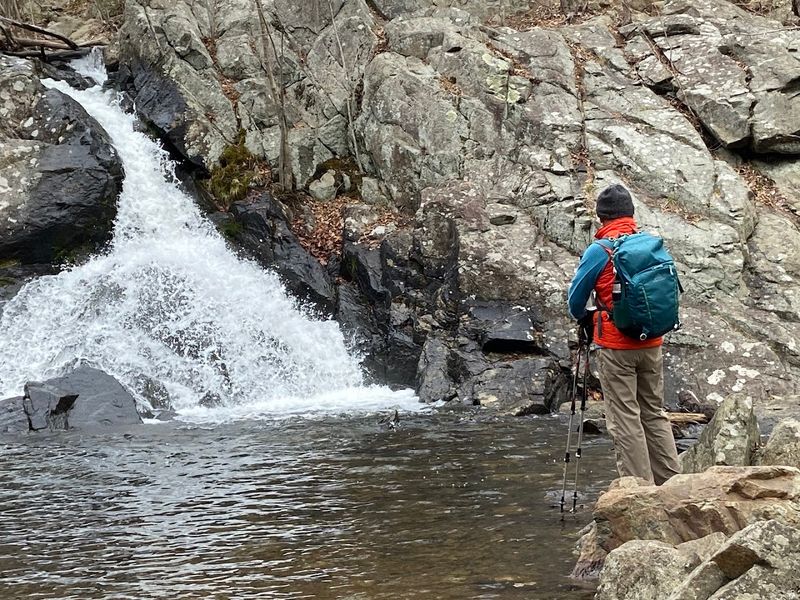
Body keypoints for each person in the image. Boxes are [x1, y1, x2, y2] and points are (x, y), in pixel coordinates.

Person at [567, 184, 680, 486]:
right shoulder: (651, 244)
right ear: (631, 213)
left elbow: (575, 302)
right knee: (653, 413)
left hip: (616, 348)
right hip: (652, 341)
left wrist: (586, 318)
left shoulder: (600, 250)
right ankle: (673, 484)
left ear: (601, 217)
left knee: (625, 417)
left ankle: (638, 491)